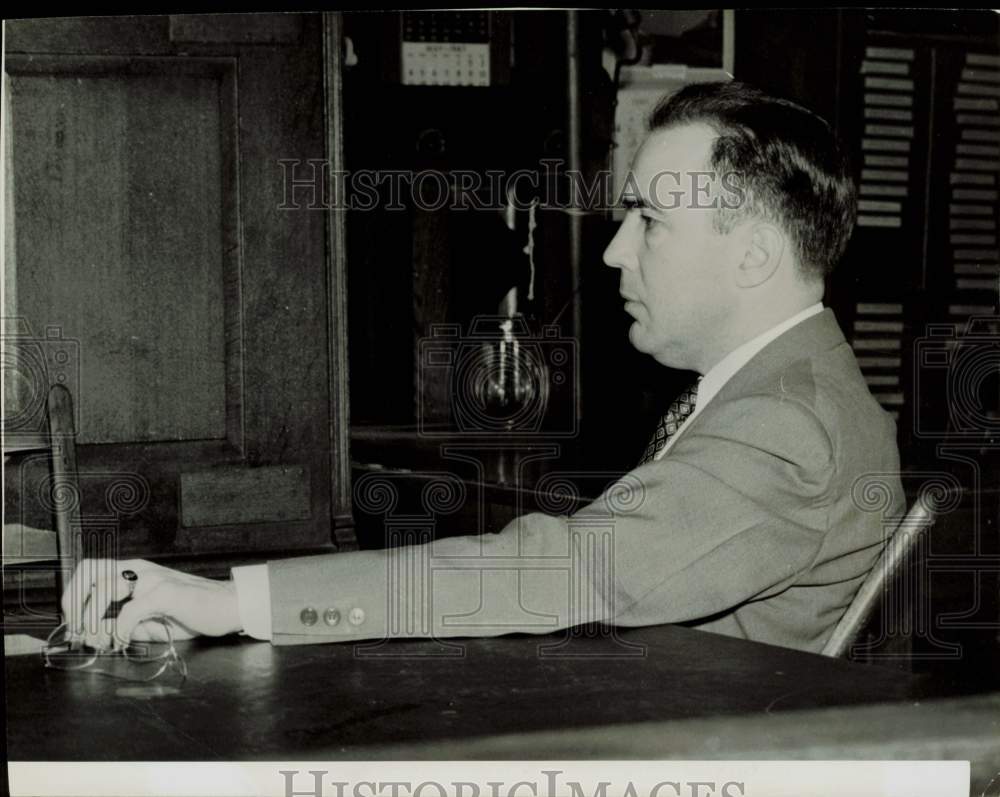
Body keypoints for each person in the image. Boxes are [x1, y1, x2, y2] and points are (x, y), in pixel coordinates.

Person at [62, 81, 904, 655]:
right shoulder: (786, 392)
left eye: (648, 219)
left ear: (753, 254)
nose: (614, 250)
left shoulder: (790, 424)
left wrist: (226, 603)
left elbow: (564, 572)